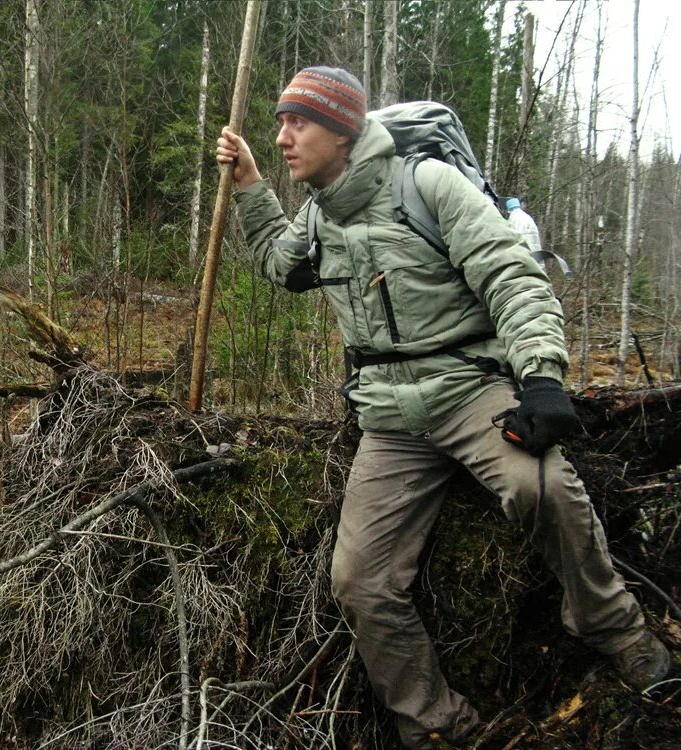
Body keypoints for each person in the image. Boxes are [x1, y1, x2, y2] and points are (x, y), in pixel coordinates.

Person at [216, 66, 672, 750]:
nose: (282, 136)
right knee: (359, 581)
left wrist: (542, 379)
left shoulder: (426, 185)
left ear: (343, 131)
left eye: (297, 121)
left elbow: (512, 278)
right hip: (388, 417)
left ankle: (613, 627)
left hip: (469, 387)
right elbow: (282, 268)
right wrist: (251, 185)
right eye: (280, 123)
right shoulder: (319, 212)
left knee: (540, 486)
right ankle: (435, 724)